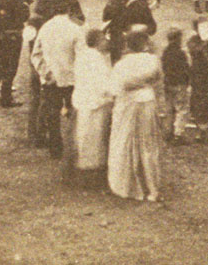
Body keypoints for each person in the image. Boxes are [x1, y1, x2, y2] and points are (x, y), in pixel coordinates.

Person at [107, 25, 163, 201]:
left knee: (125, 139)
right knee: (147, 143)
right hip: (146, 100)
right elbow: (157, 79)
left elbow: (115, 88)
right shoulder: (152, 60)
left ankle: (126, 184)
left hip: (128, 103)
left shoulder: (122, 64)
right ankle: (152, 189)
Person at [31, 0, 85, 158]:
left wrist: (46, 73)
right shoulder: (75, 29)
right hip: (71, 79)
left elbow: (36, 54)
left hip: (51, 79)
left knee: (52, 115)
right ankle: (74, 147)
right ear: (69, 10)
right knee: (74, 114)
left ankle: (56, 148)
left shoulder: (45, 28)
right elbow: (82, 56)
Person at [72, 27, 114, 188]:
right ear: (97, 41)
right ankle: (91, 175)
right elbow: (102, 83)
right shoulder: (96, 59)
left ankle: (86, 170)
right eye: (104, 39)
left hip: (84, 100)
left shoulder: (84, 56)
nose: (106, 42)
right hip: (95, 102)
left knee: (85, 136)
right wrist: (111, 94)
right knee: (94, 138)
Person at [160, 27, 191, 143]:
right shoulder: (181, 53)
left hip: (168, 82)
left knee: (169, 108)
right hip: (179, 83)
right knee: (181, 108)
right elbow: (185, 68)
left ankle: (167, 131)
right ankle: (178, 134)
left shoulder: (166, 52)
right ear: (178, 39)